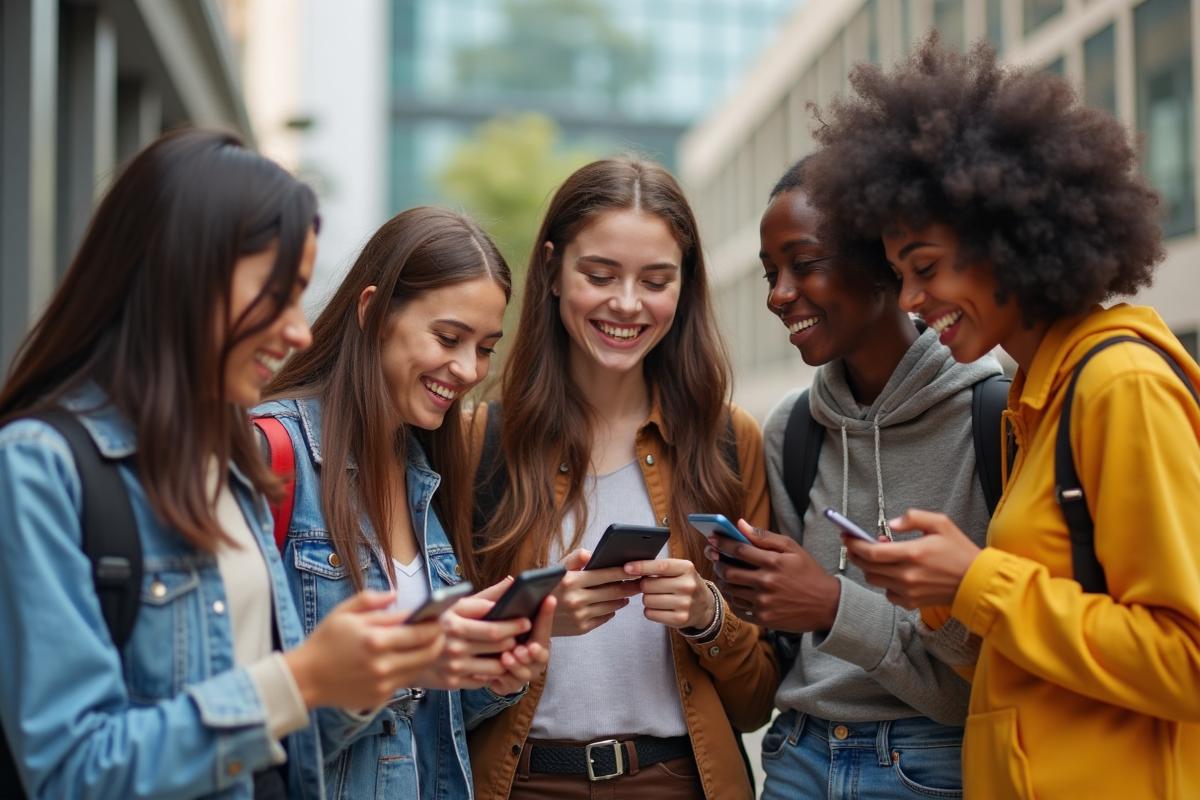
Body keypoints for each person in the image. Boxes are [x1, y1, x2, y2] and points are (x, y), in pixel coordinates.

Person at [0, 129, 448, 799]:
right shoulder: (39, 468)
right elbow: (71, 770)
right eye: (279, 293)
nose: (299, 330)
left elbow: (275, 753)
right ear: (189, 274)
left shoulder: (228, 464)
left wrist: (354, 684)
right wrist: (299, 678)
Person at [807, 36, 1200, 799]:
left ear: (1015, 236)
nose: (913, 301)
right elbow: (1029, 656)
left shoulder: (1117, 385)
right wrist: (941, 593)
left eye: (927, 268)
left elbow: (1187, 659)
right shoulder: (1036, 401)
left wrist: (977, 577)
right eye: (899, 277)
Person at [464, 157, 778, 800]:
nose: (627, 304)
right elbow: (432, 676)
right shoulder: (477, 443)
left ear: (684, 287)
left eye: (656, 280)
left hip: (679, 782)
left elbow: (757, 701)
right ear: (551, 270)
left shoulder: (728, 440)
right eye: (600, 275)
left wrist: (707, 617)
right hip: (517, 783)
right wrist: (537, 623)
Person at [706, 157, 1000, 799]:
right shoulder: (795, 429)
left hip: (934, 765)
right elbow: (781, 652)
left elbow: (992, 674)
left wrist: (836, 606)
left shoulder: (995, 417)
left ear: (884, 263)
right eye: (769, 273)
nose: (778, 294)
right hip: (796, 756)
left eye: (803, 264)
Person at [254, 206, 554, 799]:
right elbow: (241, 725)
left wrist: (489, 672)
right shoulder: (271, 454)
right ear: (371, 311)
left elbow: (418, 729)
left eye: (486, 347)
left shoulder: (426, 474)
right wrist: (397, 670)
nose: (469, 369)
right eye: (448, 338)